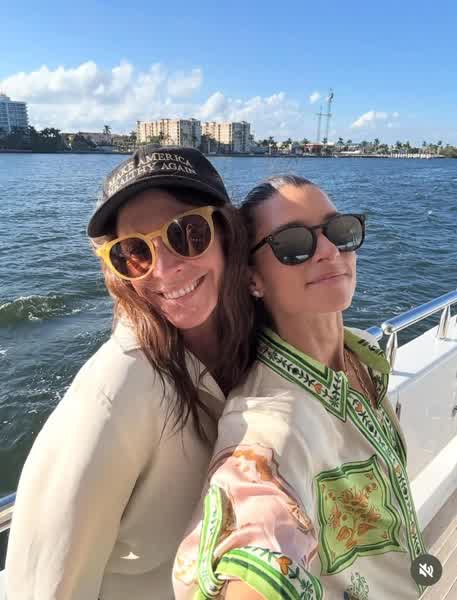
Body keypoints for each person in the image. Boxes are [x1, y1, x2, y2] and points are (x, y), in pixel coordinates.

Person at [5, 145, 255, 600]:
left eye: (187, 233)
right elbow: (42, 588)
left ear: (226, 232)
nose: (166, 268)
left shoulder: (256, 350)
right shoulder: (113, 394)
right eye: (134, 253)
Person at [173, 175, 428, 599]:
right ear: (253, 279)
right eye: (293, 243)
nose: (329, 250)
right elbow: (255, 524)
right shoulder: (271, 420)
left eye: (339, 231)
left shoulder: (362, 354)